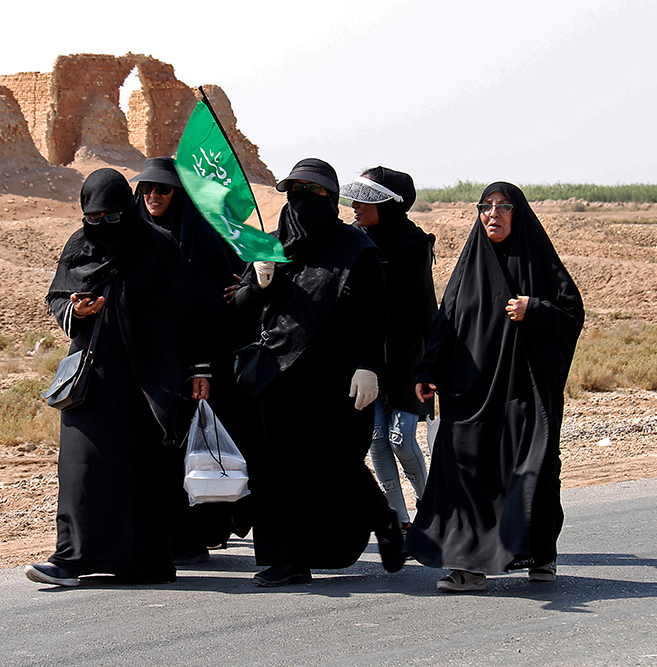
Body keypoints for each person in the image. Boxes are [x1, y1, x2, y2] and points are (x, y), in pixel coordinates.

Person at [25, 168, 210, 588]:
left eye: (113, 217)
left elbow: (188, 311)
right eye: (95, 219)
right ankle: (71, 560)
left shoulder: (158, 247)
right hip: (95, 374)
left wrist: (199, 370)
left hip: (150, 376)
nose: (104, 226)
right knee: (81, 467)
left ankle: (145, 564)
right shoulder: (79, 244)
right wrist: (77, 312)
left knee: (144, 470)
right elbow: (57, 295)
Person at [231, 158, 405, 587]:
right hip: (278, 373)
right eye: (294, 192)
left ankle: (381, 519)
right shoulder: (271, 246)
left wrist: (369, 366)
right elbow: (239, 307)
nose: (302, 201)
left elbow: (376, 313)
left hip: (335, 377)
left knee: (334, 460)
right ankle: (286, 560)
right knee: (276, 468)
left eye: (314, 193)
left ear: (330, 199)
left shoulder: (355, 249)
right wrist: (259, 283)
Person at [406, 182, 584, 593]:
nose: (493, 214)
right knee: (464, 470)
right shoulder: (469, 267)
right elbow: (445, 325)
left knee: (532, 470)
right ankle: (469, 567)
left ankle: (541, 554)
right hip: (470, 392)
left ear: (517, 213)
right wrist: (426, 370)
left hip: (525, 391)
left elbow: (572, 313)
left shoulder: (538, 261)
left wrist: (534, 309)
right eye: (485, 207)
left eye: (503, 207)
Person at [131, 156, 253, 565]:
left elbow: (210, 304)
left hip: (193, 366)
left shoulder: (198, 238)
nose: (152, 196)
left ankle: (193, 535)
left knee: (186, 449)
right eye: (146, 189)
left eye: (162, 189)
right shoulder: (132, 235)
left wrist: (200, 366)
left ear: (178, 194)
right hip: (143, 365)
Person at [340, 167, 437, 536]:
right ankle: (399, 520)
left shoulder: (415, 246)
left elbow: (427, 310)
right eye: (355, 197)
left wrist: (436, 363)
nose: (355, 206)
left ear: (388, 204)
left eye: (366, 198)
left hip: (408, 360)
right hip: (366, 361)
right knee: (378, 439)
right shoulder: (352, 242)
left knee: (401, 438)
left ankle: (431, 509)